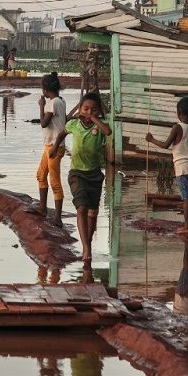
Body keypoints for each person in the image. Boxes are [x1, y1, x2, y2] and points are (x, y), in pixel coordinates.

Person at [49, 92, 111, 262]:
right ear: (81, 109)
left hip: (95, 174)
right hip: (77, 173)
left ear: (99, 111)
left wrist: (94, 118)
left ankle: (88, 243)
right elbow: (62, 133)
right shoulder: (74, 124)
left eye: (93, 109)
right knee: (81, 208)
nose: (89, 112)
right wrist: (55, 148)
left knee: (92, 212)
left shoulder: (100, 125)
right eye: (86, 109)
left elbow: (108, 131)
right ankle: (86, 248)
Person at [146, 96, 188, 234]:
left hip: (182, 168)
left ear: (179, 112)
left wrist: (151, 139)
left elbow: (166, 145)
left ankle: (186, 226)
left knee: (186, 197)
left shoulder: (177, 127)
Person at [36, 72, 67, 227]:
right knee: (41, 175)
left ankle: (58, 218)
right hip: (51, 145)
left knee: (54, 181)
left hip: (54, 147)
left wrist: (41, 106)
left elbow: (43, 123)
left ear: (45, 90)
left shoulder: (51, 103)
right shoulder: (61, 101)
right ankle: (42, 208)